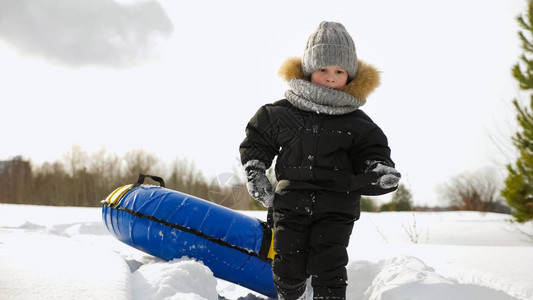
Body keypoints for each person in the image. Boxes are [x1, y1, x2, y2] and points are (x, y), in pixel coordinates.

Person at [239, 21, 400, 300]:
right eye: (323, 69)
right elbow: (257, 141)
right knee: (288, 262)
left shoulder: (359, 124)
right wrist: (255, 171)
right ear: (308, 70)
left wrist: (377, 172)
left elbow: (372, 154)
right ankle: (292, 295)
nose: (330, 77)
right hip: (290, 203)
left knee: (330, 264)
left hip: (337, 206)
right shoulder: (280, 113)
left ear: (349, 76)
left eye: (338, 71)